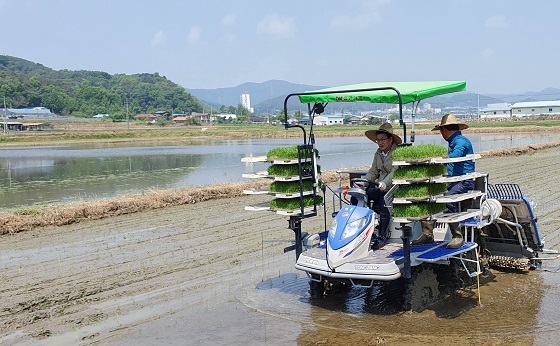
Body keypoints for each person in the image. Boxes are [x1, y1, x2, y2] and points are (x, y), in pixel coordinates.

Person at [411, 113, 475, 249]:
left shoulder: (460, 142)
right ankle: (427, 234)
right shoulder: (453, 141)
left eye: (441, 131)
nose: (441, 134)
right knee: (426, 194)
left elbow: (455, 155)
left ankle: (457, 236)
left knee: (448, 198)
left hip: (464, 182)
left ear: (445, 130)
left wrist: (438, 158)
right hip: (452, 181)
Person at [351, 122, 402, 249]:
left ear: (390, 139)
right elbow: (373, 171)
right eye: (378, 140)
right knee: (357, 196)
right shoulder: (378, 153)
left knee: (383, 201)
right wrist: (364, 183)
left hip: (394, 187)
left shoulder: (398, 152)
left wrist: (384, 183)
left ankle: (382, 237)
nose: (380, 143)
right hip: (380, 186)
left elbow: (395, 171)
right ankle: (359, 231)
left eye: (383, 140)